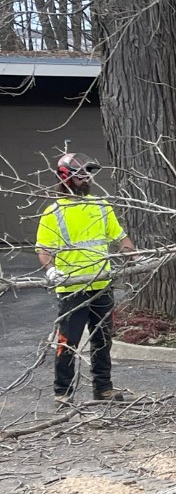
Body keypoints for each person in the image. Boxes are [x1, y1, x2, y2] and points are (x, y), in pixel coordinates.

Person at [36, 152, 136, 407]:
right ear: (65, 178)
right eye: (80, 176)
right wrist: (51, 270)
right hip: (72, 288)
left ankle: (103, 388)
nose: (86, 180)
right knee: (67, 341)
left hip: (102, 285)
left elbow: (121, 238)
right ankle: (63, 392)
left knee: (103, 340)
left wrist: (135, 257)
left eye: (88, 175)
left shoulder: (101, 205)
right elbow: (44, 249)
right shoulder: (53, 212)